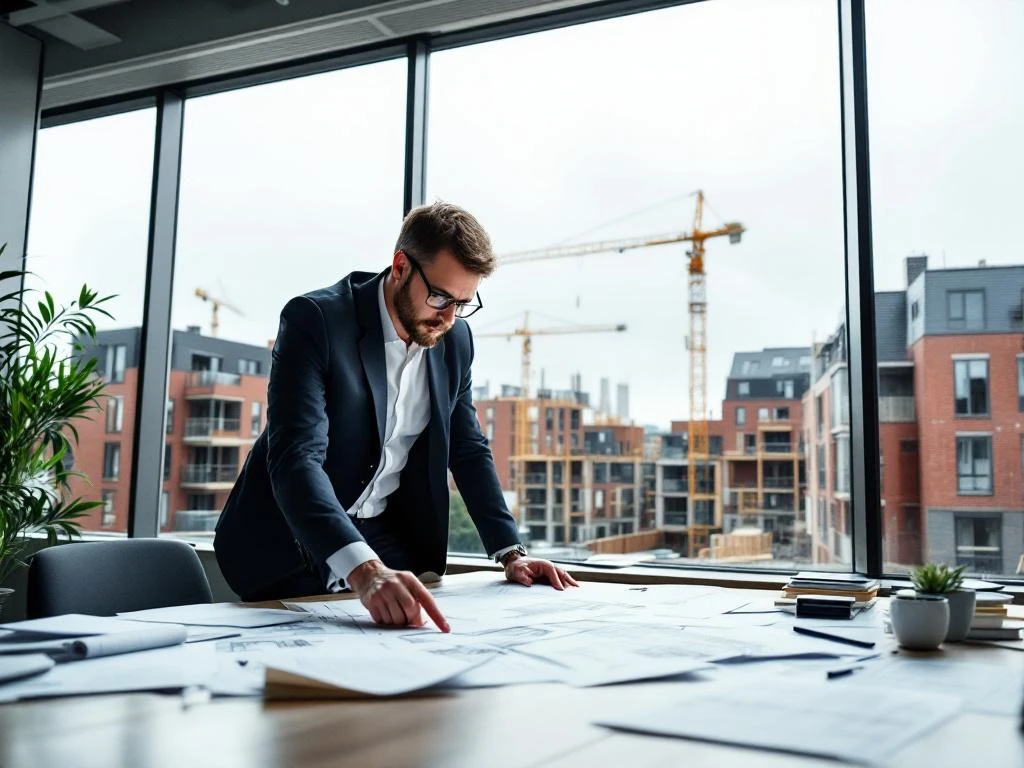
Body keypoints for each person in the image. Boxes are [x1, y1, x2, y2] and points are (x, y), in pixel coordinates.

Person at [214, 202, 578, 630]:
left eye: (462, 303)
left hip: (385, 542)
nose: (448, 318)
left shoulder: (455, 339)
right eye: (440, 297)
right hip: (283, 543)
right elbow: (296, 457)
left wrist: (510, 553)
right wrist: (364, 571)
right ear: (401, 266)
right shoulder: (316, 321)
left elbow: (467, 446)